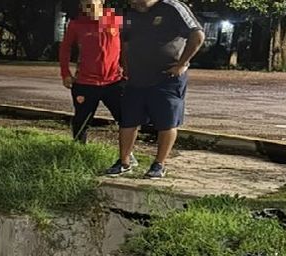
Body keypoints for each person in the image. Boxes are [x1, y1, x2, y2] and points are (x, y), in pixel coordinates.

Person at [104, 0, 204, 179]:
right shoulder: (128, 13)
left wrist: (182, 64)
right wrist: (125, 67)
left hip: (166, 78)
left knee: (167, 122)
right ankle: (124, 162)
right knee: (128, 121)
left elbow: (197, 35)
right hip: (136, 79)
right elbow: (125, 42)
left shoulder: (172, 7)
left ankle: (159, 164)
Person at [59, 0, 124, 144]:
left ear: (101, 2)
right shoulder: (76, 24)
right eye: (87, 6)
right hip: (85, 82)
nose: (91, 9)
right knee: (82, 121)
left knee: (126, 118)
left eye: (94, 4)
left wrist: (128, 70)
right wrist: (65, 73)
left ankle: (126, 153)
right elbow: (65, 49)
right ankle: (79, 150)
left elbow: (126, 45)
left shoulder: (115, 19)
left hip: (114, 81)